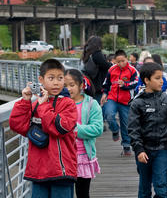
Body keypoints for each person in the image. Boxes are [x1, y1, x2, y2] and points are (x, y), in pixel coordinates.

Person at [9, 59, 77, 198]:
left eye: (60, 78)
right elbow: (18, 126)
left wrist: (44, 105)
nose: (56, 82)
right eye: (51, 78)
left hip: (61, 171)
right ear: (41, 79)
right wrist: (25, 101)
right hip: (38, 171)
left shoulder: (68, 104)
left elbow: (60, 128)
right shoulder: (36, 104)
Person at [128, 62, 167, 198]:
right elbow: (133, 129)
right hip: (144, 151)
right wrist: (139, 150)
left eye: (162, 77)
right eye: (157, 78)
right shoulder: (137, 103)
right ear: (146, 80)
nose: (162, 81)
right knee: (144, 187)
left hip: (162, 149)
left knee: (161, 187)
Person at [64, 69, 103, 198]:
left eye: (72, 85)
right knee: (65, 192)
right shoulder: (59, 104)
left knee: (82, 193)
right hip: (64, 156)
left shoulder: (92, 104)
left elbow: (98, 128)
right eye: (65, 85)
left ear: (81, 85)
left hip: (83, 156)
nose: (68, 89)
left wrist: (74, 129)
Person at [100, 49, 139, 156]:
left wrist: (125, 84)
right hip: (112, 98)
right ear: (115, 61)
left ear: (127, 59)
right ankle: (115, 130)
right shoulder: (111, 70)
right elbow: (106, 84)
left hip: (126, 101)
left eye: (123, 60)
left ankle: (126, 146)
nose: (121, 63)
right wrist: (104, 94)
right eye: (118, 61)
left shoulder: (133, 70)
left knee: (126, 124)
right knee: (109, 115)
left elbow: (136, 83)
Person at [81, 35, 111, 103]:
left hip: (89, 82)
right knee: (97, 104)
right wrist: (111, 64)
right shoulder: (97, 54)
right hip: (97, 84)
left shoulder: (87, 53)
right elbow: (106, 66)